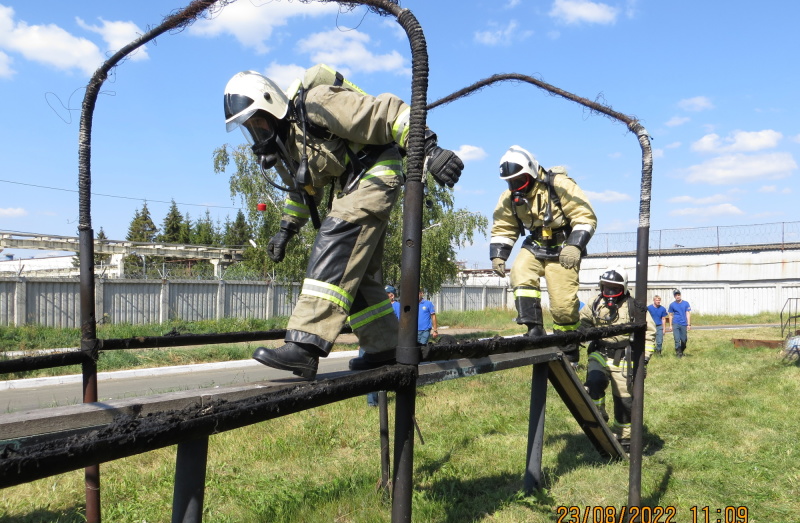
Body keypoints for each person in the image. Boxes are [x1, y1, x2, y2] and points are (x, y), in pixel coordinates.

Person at [223, 65, 463, 379]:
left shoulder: (316, 104)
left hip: (377, 171)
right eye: (249, 127)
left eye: (257, 123)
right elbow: (301, 191)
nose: (256, 133)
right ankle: (385, 346)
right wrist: (286, 229)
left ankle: (305, 347)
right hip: (351, 186)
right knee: (356, 274)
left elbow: (388, 113)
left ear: (271, 107)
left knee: (335, 240)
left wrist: (430, 150)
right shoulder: (286, 146)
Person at [489, 145, 597, 364]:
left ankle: (569, 353)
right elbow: (503, 226)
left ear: (531, 172)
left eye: (519, 181)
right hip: (536, 244)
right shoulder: (509, 196)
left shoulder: (559, 185)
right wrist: (498, 255)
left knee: (563, 306)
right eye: (510, 182)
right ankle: (534, 330)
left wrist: (575, 245)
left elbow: (584, 216)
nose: (515, 186)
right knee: (520, 273)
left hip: (563, 248)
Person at [579, 267, 656, 450]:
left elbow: (649, 333)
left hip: (624, 358)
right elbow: (583, 323)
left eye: (615, 288)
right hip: (600, 353)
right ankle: (599, 416)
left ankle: (625, 439)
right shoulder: (595, 303)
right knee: (594, 383)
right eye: (606, 288)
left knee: (624, 402)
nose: (610, 292)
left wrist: (643, 358)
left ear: (624, 288)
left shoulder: (634, 307)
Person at [364, 285, 400, 407]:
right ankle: (372, 402)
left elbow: (400, 325)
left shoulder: (397, 306)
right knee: (371, 373)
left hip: (388, 344)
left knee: (384, 372)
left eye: (386, 294)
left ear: (391, 295)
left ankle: (384, 396)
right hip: (373, 342)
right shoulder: (376, 306)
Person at [667, 289, 692, 358]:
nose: (677, 296)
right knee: (677, 339)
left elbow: (688, 313)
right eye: (676, 295)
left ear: (680, 295)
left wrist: (689, 324)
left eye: (678, 295)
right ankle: (678, 353)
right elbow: (670, 315)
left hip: (683, 323)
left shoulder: (686, 303)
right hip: (676, 323)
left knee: (684, 339)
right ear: (674, 296)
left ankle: (681, 350)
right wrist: (670, 325)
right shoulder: (672, 305)